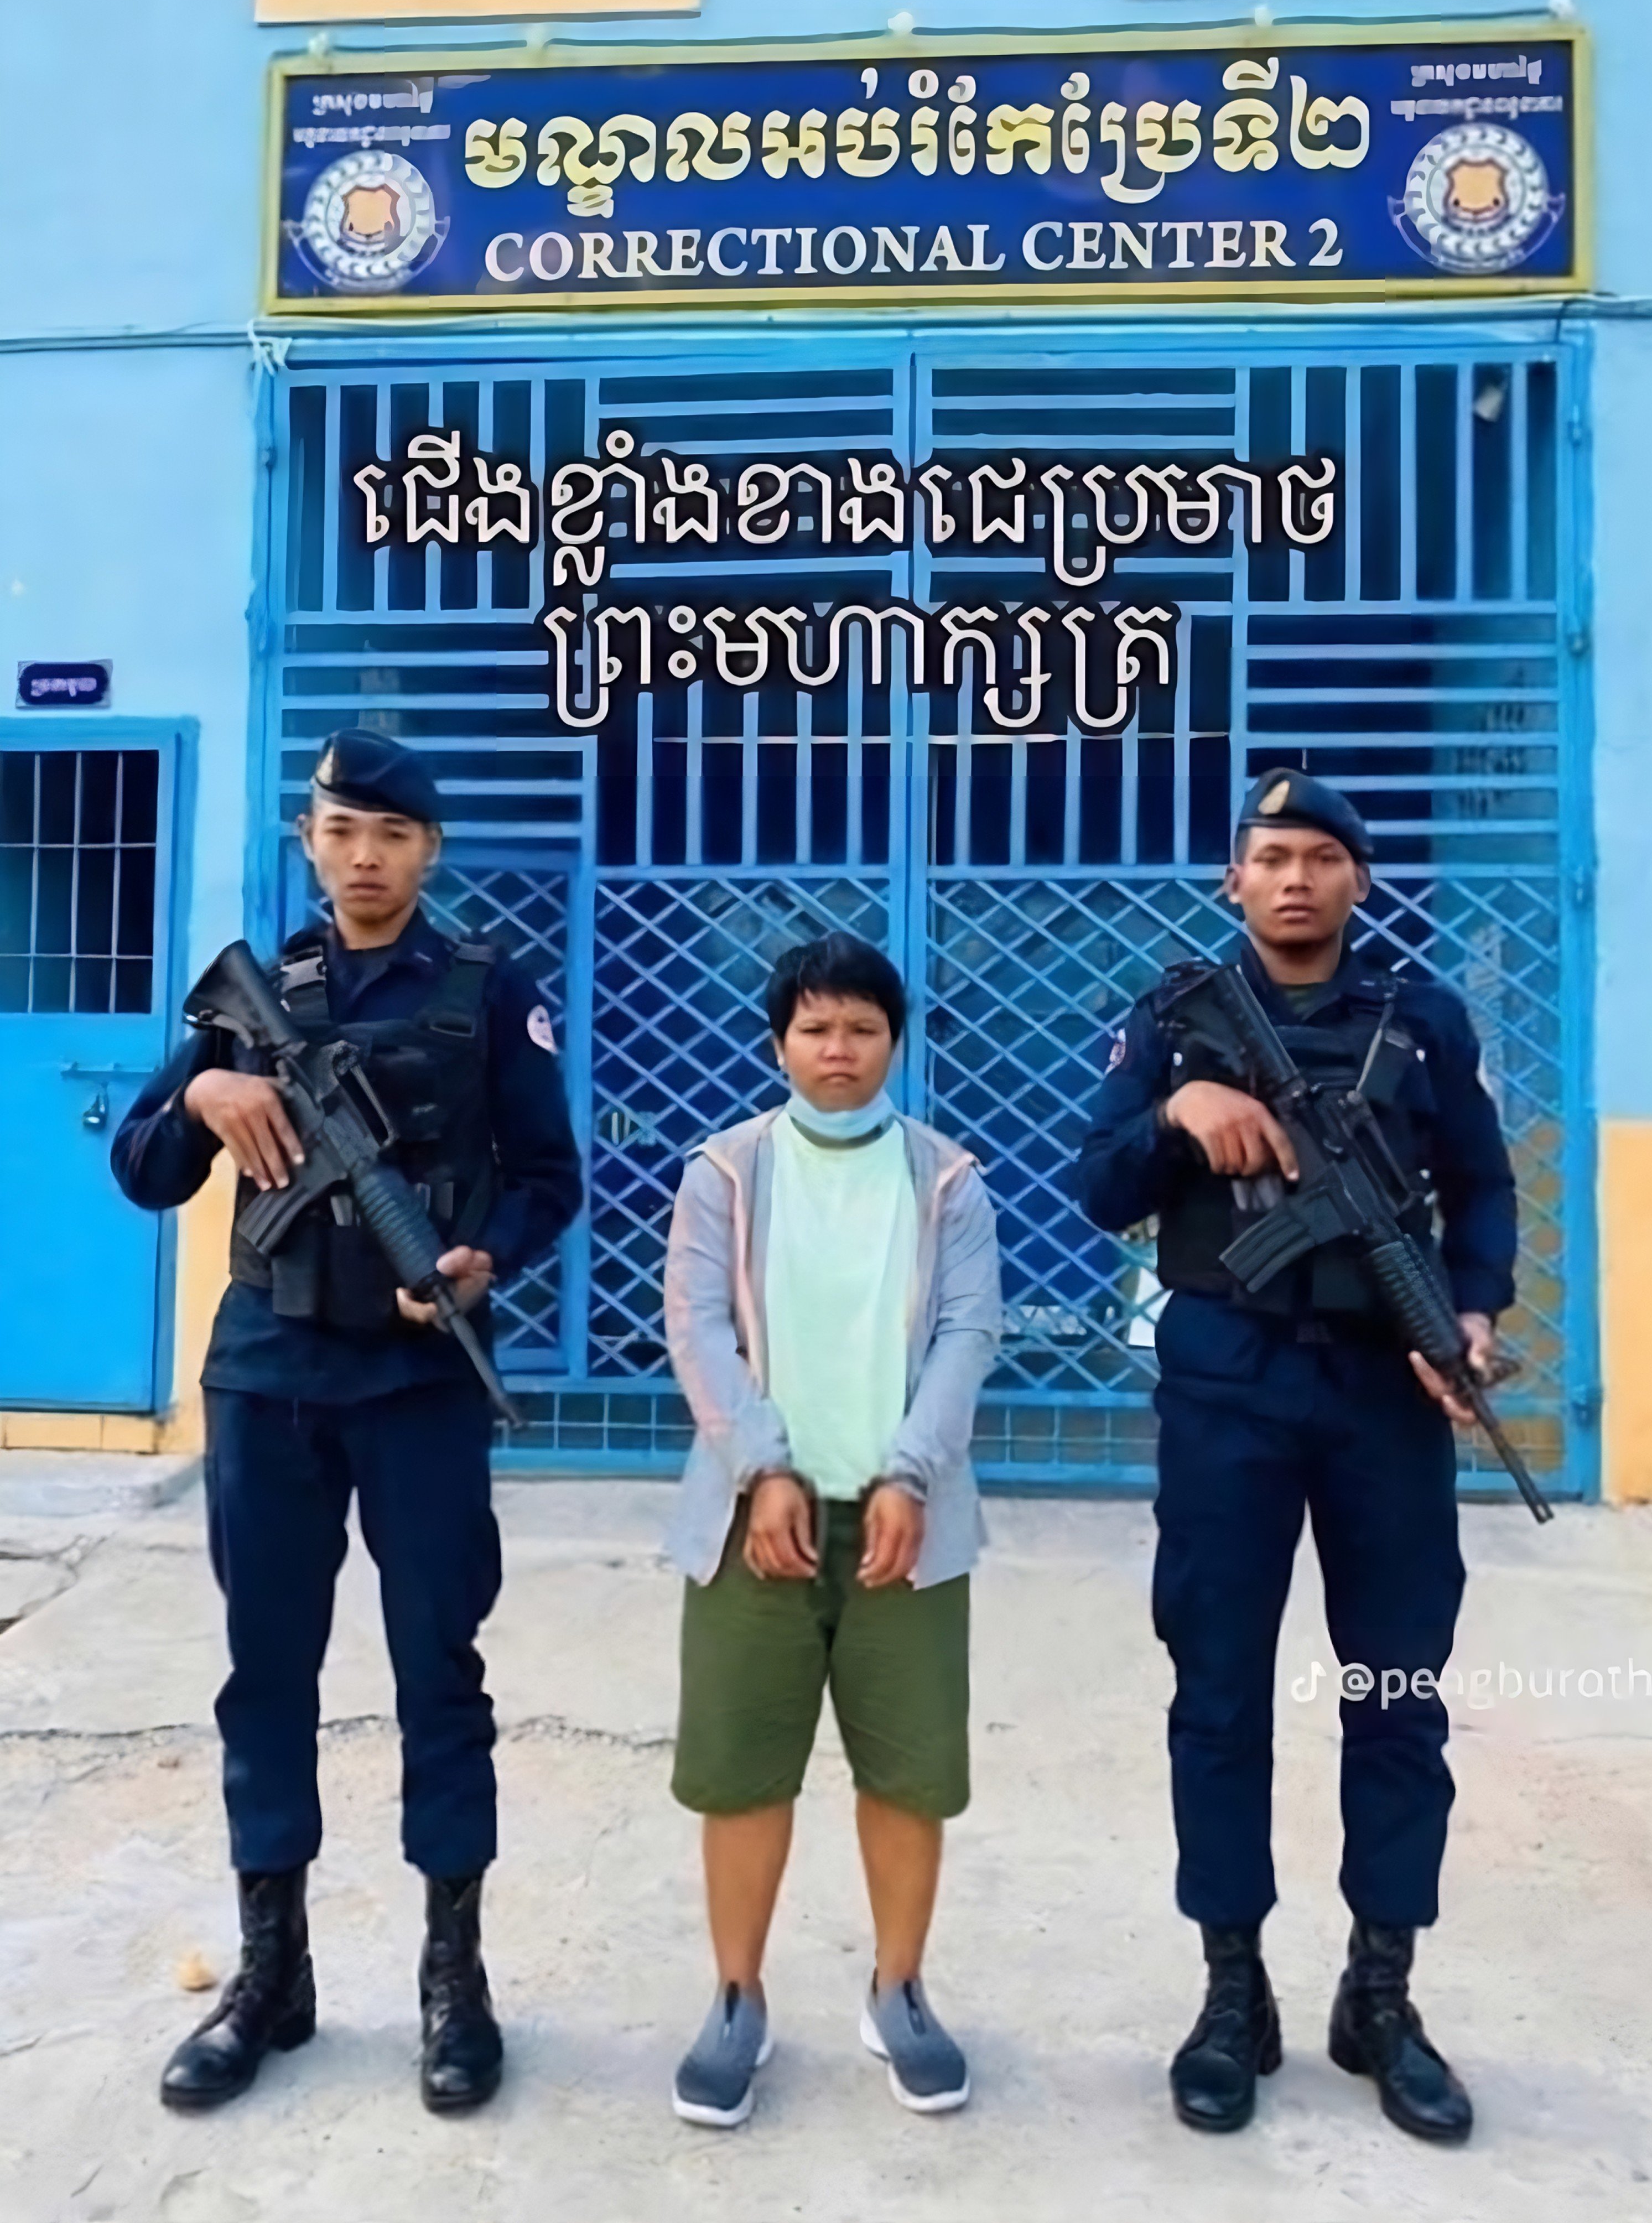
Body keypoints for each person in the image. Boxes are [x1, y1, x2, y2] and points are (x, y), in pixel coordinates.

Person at [111, 731, 583, 2116]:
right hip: (266, 1374)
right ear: (309, 842)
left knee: (440, 1670)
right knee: (268, 1676)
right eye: (340, 830)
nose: (365, 855)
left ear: (429, 850)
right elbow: (144, 1168)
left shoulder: (492, 992)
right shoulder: (252, 1001)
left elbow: (549, 1176)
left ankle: (454, 1973)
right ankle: (275, 1971)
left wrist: (485, 1255)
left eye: (391, 833)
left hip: (424, 1383)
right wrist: (203, 1092)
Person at [1074, 768, 1518, 2146]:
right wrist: (1174, 1118)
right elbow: (1098, 1189)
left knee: (1395, 1692)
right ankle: (1231, 1992)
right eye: (1271, 855)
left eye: (1324, 856)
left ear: (1359, 882)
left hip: (1385, 1401)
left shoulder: (1423, 1021)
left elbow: (1486, 1183)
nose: (1296, 878)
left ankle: (1380, 1993)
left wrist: (1477, 1306)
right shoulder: (1171, 1019)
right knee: (1220, 1695)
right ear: (1234, 879)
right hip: (1229, 1392)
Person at [661, 932, 1002, 2128]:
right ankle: (737, 1998)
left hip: (908, 1528)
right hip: (757, 1522)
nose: (839, 1049)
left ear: (895, 1039)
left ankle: (899, 1988)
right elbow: (698, 1329)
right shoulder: (727, 1172)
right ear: (779, 1041)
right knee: (742, 1770)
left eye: (861, 1027)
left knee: (908, 1772)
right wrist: (761, 1467)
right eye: (816, 1028)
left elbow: (967, 1333)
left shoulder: (948, 1178)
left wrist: (912, 1472)